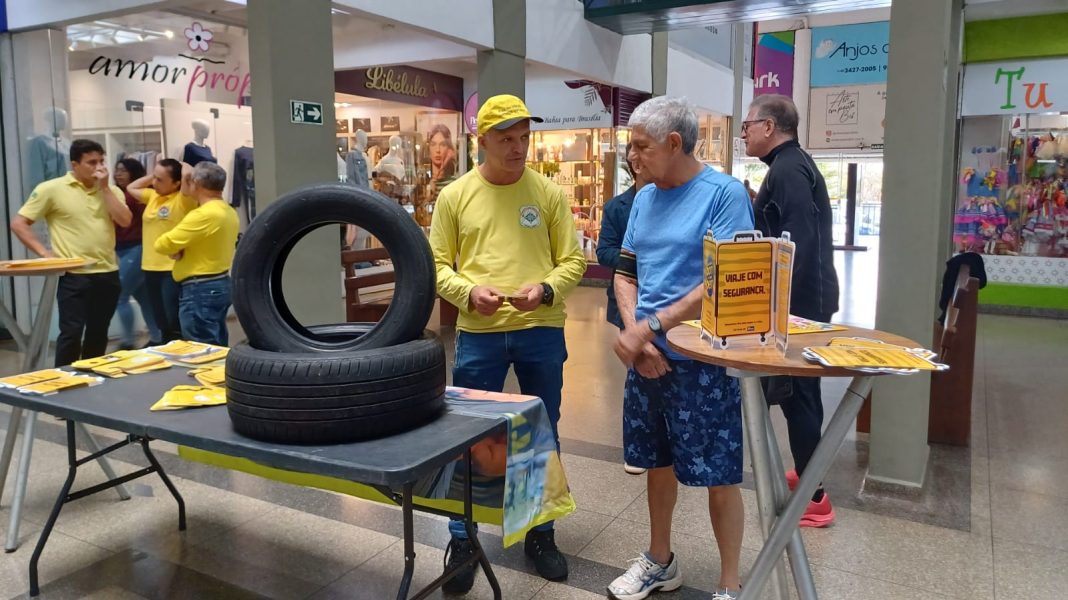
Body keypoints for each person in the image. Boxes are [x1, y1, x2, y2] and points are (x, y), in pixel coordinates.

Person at [429, 94, 586, 592]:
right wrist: (468, 293)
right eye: (506, 139)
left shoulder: (548, 193)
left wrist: (545, 290)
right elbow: (437, 268)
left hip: (541, 329)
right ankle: (463, 536)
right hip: (480, 335)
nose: (518, 149)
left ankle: (541, 531)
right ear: (483, 141)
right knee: (470, 436)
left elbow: (573, 261)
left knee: (543, 431)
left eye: (524, 138)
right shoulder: (455, 196)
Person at [608, 96, 753, 600]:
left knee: (719, 473)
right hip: (648, 360)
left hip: (705, 362)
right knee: (656, 460)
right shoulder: (644, 198)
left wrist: (647, 328)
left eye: (641, 147)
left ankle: (730, 584)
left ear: (674, 143)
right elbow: (626, 272)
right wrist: (637, 335)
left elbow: (724, 281)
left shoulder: (724, 195)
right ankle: (659, 559)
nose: (633, 157)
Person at [742, 93, 840, 528]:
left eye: (747, 124)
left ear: (769, 127)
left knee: (798, 396)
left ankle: (815, 497)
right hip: (800, 302)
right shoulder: (786, 167)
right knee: (799, 395)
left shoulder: (788, 169)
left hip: (801, 304)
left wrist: (784, 313)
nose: (743, 132)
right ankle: (807, 473)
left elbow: (796, 244)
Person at [10, 139, 132, 366]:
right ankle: (64, 382)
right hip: (74, 275)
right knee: (71, 332)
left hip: (107, 271)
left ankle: (92, 381)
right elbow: (19, 223)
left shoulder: (111, 190)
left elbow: (125, 221)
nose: (99, 167)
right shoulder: (51, 189)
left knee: (98, 332)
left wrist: (105, 188)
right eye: (91, 162)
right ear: (75, 164)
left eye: (101, 161)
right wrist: (45, 254)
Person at [595, 143, 649, 476]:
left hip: (670, 303)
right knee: (639, 369)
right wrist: (639, 263)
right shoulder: (618, 207)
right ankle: (640, 445)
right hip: (629, 299)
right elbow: (604, 252)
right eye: (634, 158)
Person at [154, 162, 239, 346]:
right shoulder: (228, 211)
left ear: (197, 184)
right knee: (216, 343)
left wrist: (175, 249)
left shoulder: (202, 215)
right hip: (220, 281)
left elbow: (163, 244)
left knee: (201, 347)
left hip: (200, 288)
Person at [127, 158, 197, 344]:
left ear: (176, 183)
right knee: (160, 318)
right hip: (150, 266)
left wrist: (181, 165)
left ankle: (178, 352)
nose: (154, 183)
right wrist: (156, 175)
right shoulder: (153, 196)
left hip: (170, 268)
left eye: (160, 180)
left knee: (171, 317)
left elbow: (188, 173)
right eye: (154, 179)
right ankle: (166, 349)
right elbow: (131, 188)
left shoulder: (184, 200)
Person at [112, 158, 160, 349]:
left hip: (136, 248)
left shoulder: (137, 195)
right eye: (117, 170)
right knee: (143, 297)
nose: (118, 174)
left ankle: (128, 342)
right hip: (123, 249)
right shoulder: (117, 193)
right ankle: (157, 337)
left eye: (123, 171)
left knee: (120, 295)